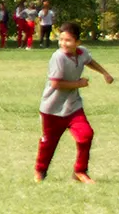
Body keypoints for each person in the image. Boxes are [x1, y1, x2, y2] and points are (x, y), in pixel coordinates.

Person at [36, 22, 111, 184]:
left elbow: (88, 60)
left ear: (77, 42)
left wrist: (104, 73)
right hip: (52, 108)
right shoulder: (58, 57)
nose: (63, 43)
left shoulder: (81, 52)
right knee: (49, 142)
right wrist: (79, 84)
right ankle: (40, 171)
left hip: (73, 106)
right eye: (61, 39)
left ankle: (80, 171)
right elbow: (55, 83)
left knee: (86, 135)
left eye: (68, 40)